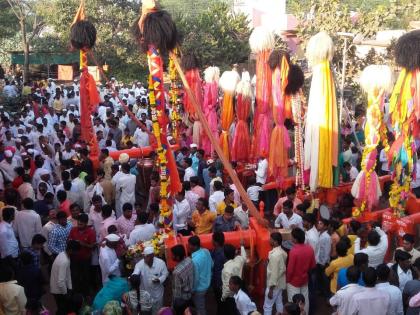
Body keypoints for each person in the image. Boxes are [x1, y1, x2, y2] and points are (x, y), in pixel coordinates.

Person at [286, 228, 315, 315]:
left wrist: (287, 280)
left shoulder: (293, 251)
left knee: (293, 303)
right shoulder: (310, 248)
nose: (291, 239)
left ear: (295, 239)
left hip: (293, 281)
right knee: (304, 301)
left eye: (292, 237)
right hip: (304, 278)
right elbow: (312, 265)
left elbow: (290, 269)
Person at [132, 246, 169, 315]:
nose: (145, 259)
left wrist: (159, 280)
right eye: (144, 256)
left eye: (147, 257)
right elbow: (136, 272)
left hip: (157, 294)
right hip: (144, 295)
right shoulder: (139, 265)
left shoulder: (161, 263)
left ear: (152, 256)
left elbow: (165, 274)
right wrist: (134, 276)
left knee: (158, 311)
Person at [68, 213, 96, 296]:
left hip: (85, 259)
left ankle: (86, 293)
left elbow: (93, 246)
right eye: (78, 223)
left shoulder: (91, 232)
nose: (79, 225)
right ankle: (76, 293)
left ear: (86, 223)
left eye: (81, 224)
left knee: (85, 276)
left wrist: (83, 244)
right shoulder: (73, 230)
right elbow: (69, 240)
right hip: (74, 258)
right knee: (75, 276)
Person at [50, 240, 81, 315]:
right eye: (76, 251)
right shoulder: (64, 261)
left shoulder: (62, 254)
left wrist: (70, 288)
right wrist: (66, 294)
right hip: (58, 291)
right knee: (62, 310)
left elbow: (68, 273)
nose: (77, 253)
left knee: (62, 308)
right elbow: (61, 281)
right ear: (71, 250)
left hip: (59, 289)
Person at [264, 232, 287, 315]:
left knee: (267, 306)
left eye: (271, 239)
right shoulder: (283, 252)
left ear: (276, 242)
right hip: (280, 283)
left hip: (274, 285)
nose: (269, 241)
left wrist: (270, 289)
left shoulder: (274, 255)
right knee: (279, 302)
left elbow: (274, 274)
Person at [189, 235, 213, 315]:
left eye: (190, 245)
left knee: (200, 309)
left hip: (199, 289)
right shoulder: (206, 251)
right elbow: (212, 264)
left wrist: (192, 290)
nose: (189, 247)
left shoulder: (194, 261)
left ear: (195, 246)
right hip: (207, 284)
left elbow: (195, 279)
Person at [220, 243, 247, 312]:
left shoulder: (226, 269)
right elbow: (244, 257)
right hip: (238, 292)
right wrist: (242, 246)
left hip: (230, 297)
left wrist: (223, 298)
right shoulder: (239, 259)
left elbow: (227, 288)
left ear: (225, 255)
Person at [171, 245, 194, 313]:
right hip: (190, 295)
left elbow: (176, 293)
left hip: (182, 300)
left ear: (177, 257)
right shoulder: (189, 260)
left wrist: (173, 306)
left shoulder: (176, 272)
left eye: (173, 255)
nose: (171, 256)